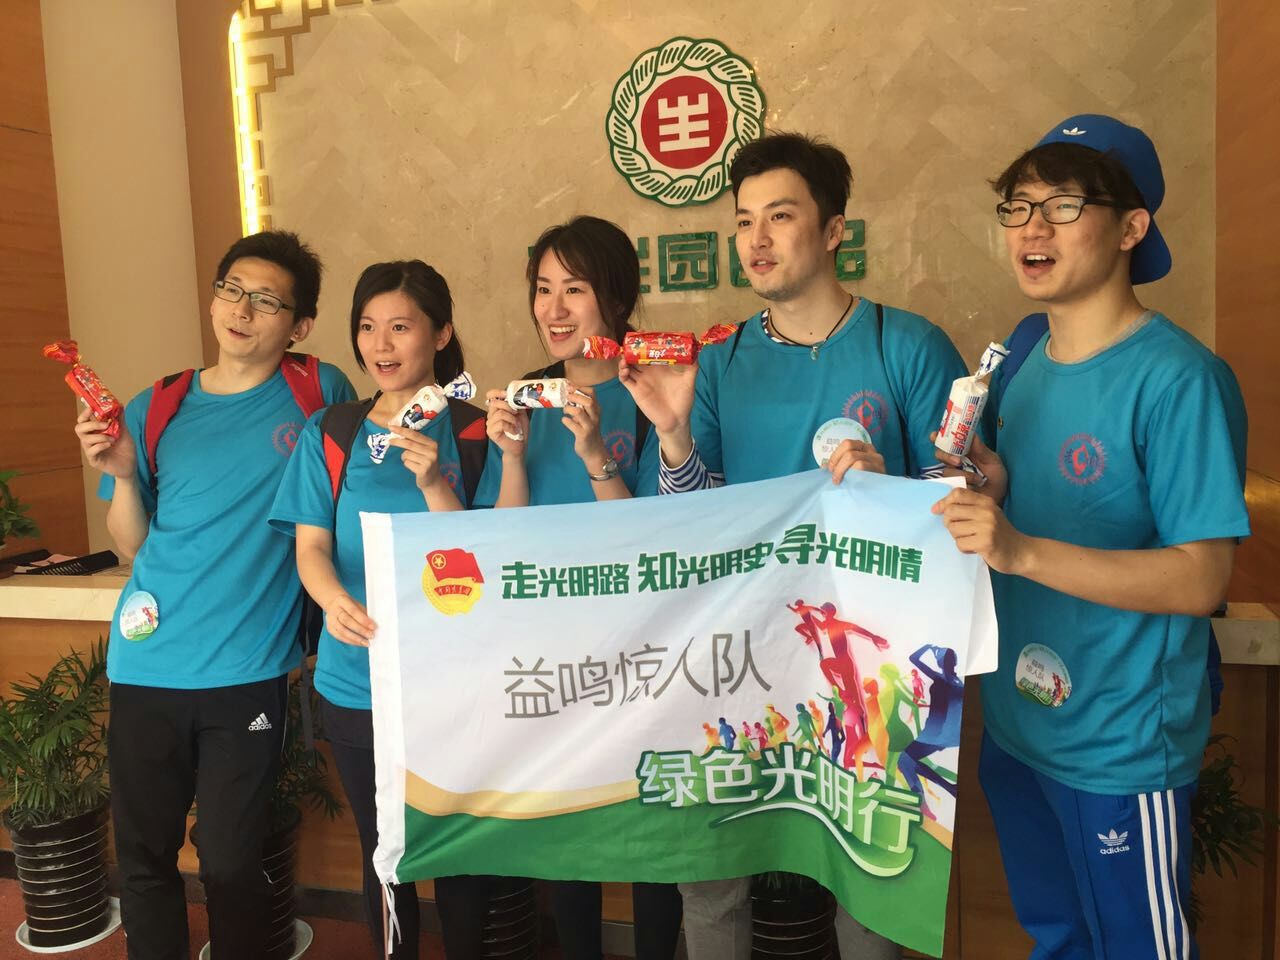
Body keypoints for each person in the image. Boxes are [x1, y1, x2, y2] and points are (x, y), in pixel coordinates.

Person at [621, 131, 968, 960]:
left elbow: (961, 510)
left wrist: (890, 493)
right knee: (712, 878)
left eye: (780, 216)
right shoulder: (719, 360)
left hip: (870, 663)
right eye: (744, 221)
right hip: (741, 650)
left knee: (872, 888)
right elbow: (688, 527)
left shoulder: (906, 345)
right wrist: (672, 436)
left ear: (835, 229)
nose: (757, 239)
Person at [933, 114, 1249, 960]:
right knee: (1059, 941)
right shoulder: (1024, 357)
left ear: (1132, 227)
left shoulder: (1179, 379)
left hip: (1117, 745)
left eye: (1065, 204)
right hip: (1019, 726)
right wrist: (990, 486)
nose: (1032, 227)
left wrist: (1020, 551)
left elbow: (1201, 578)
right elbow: (1034, 501)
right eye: (1018, 205)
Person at [74, 231, 356, 959]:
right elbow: (134, 544)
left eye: (266, 300)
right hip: (147, 661)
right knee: (144, 855)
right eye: (232, 290)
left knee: (231, 860)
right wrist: (123, 474)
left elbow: (346, 503)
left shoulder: (320, 393)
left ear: (299, 326)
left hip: (247, 669)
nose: (242, 310)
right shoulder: (158, 403)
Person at [269, 260, 494, 958]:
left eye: (401, 326)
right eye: (368, 327)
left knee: (459, 852)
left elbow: (490, 559)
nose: (381, 345)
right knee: (384, 854)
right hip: (355, 681)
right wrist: (332, 599)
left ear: (441, 334)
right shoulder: (332, 433)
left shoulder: (479, 433)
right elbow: (311, 546)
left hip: (454, 684)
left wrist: (433, 482)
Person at [477, 215, 683, 960]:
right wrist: (511, 459)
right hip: (555, 663)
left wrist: (596, 452)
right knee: (569, 849)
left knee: (657, 847)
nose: (554, 309)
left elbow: (662, 546)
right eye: (543, 289)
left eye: (575, 289)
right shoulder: (525, 399)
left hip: (648, 659)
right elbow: (499, 547)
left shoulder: (654, 389)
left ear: (616, 299)